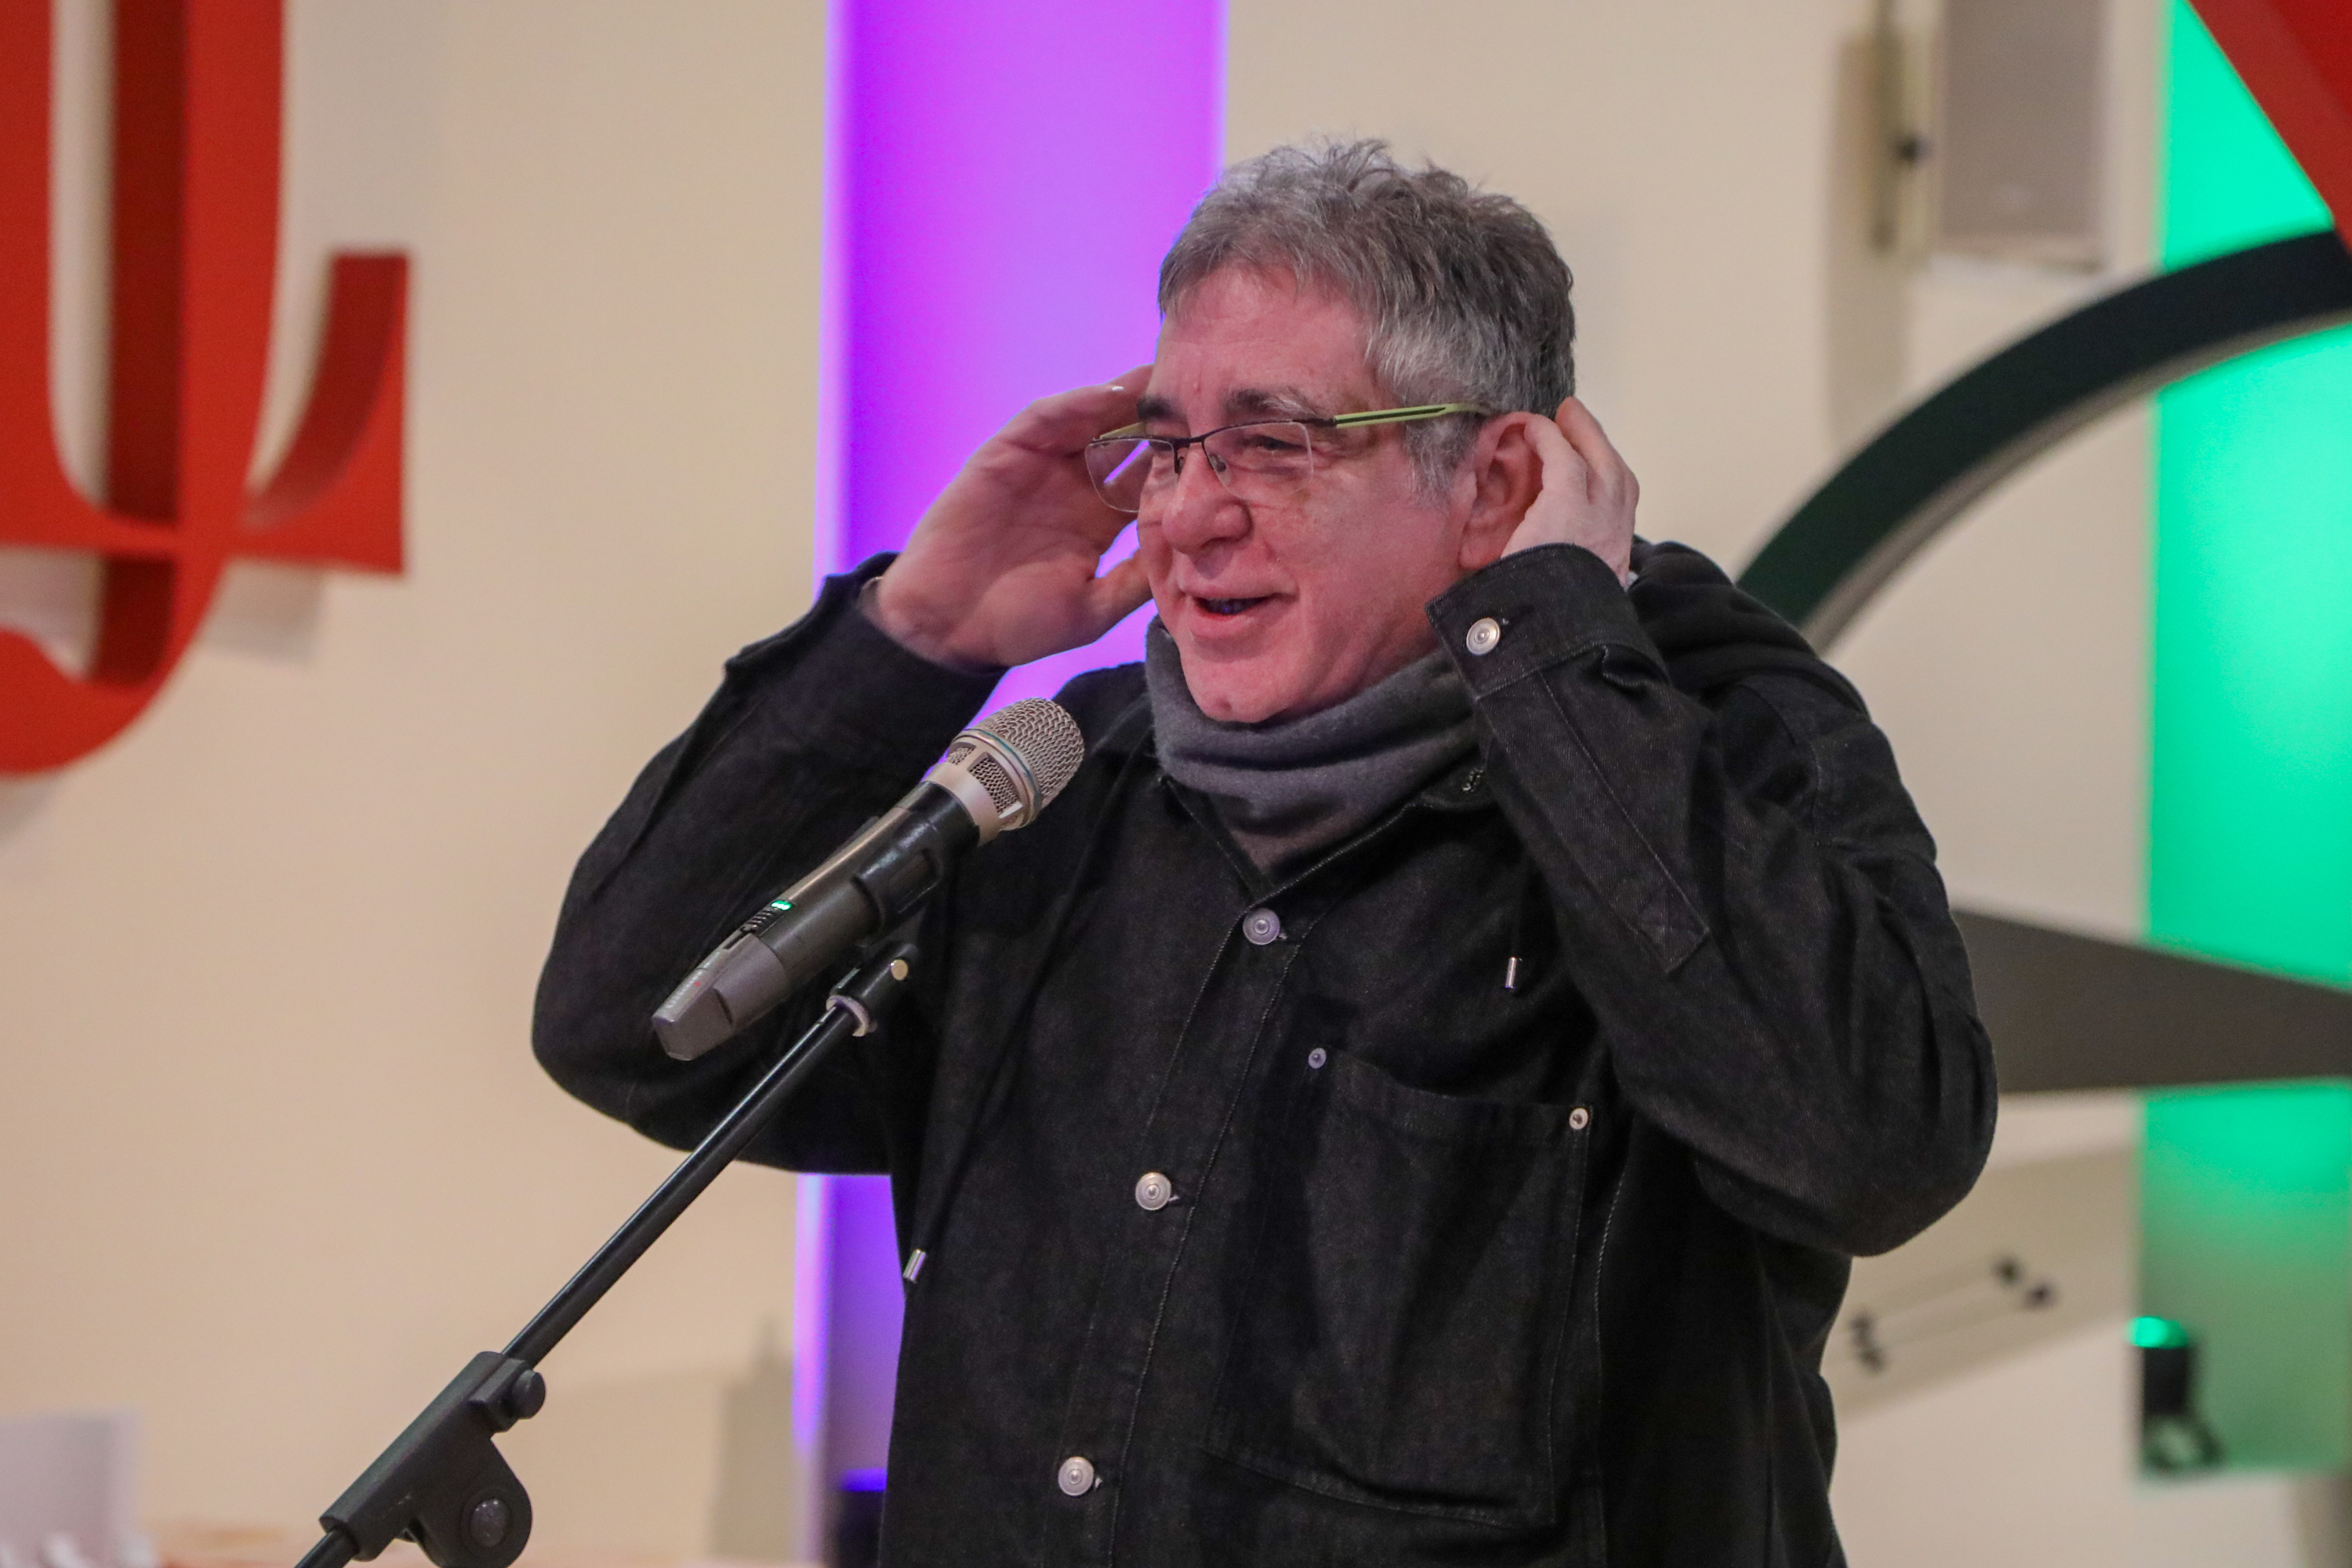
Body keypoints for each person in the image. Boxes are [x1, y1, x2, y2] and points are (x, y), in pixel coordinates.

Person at [535, 140, 1994, 1566]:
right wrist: (910, 643)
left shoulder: (1721, 750)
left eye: (1274, 444)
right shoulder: (1069, 781)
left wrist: (1555, 653)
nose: (1185, 514)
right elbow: (638, 1031)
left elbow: (1870, 1156)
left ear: (1494, 485)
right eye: (1168, 445)